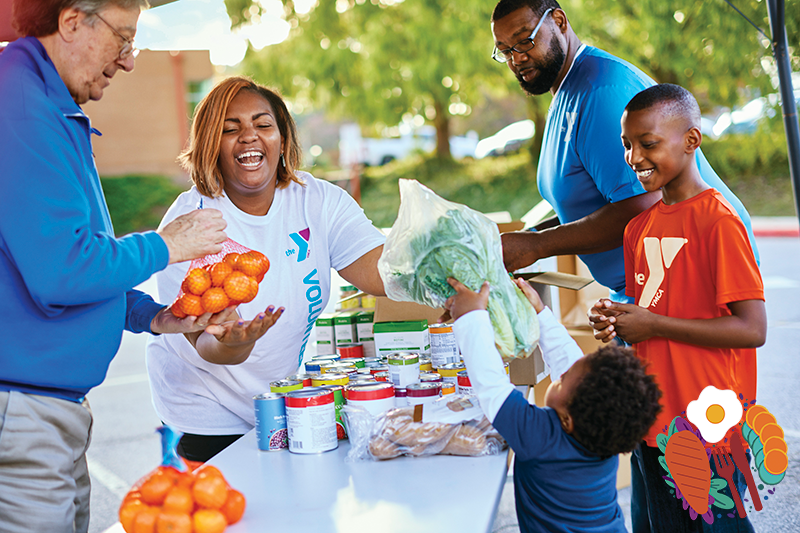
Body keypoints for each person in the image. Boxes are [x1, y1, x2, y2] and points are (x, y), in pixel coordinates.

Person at [0, 0, 234, 531]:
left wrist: (154, 316)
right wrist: (166, 245)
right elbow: (62, 272)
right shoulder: (19, 103)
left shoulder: (43, 103)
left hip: (47, 411)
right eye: (124, 38)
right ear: (72, 21)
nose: (129, 61)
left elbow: (64, 258)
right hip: (22, 412)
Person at [146, 76, 387, 463]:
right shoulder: (193, 223)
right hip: (207, 414)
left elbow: (379, 272)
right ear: (211, 144)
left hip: (280, 397)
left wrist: (457, 256)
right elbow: (206, 344)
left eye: (263, 125)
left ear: (282, 139)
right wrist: (235, 341)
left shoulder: (317, 200)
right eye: (230, 129)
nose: (249, 137)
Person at [491, 0, 758, 304]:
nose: (517, 58)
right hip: (640, 292)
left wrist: (538, 244)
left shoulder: (601, 91)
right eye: (505, 50)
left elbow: (643, 204)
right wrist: (530, 236)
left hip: (684, 286)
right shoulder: (566, 90)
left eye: (525, 40)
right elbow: (587, 206)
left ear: (559, 22)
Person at [590, 84, 766, 532]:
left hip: (708, 429)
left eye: (648, 144)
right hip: (652, 420)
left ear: (691, 141)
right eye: (627, 145)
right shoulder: (639, 228)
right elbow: (651, 306)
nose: (633, 157)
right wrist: (619, 321)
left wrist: (654, 323)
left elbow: (751, 329)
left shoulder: (719, 222)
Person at [444, 276, 662, 533]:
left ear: (567, 420)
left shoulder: (541, 437)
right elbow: (569, 362)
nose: (559, 376)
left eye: (562, 380)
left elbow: (491, 385)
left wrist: (471, 317)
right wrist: (539, 313)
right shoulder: (605, 435)